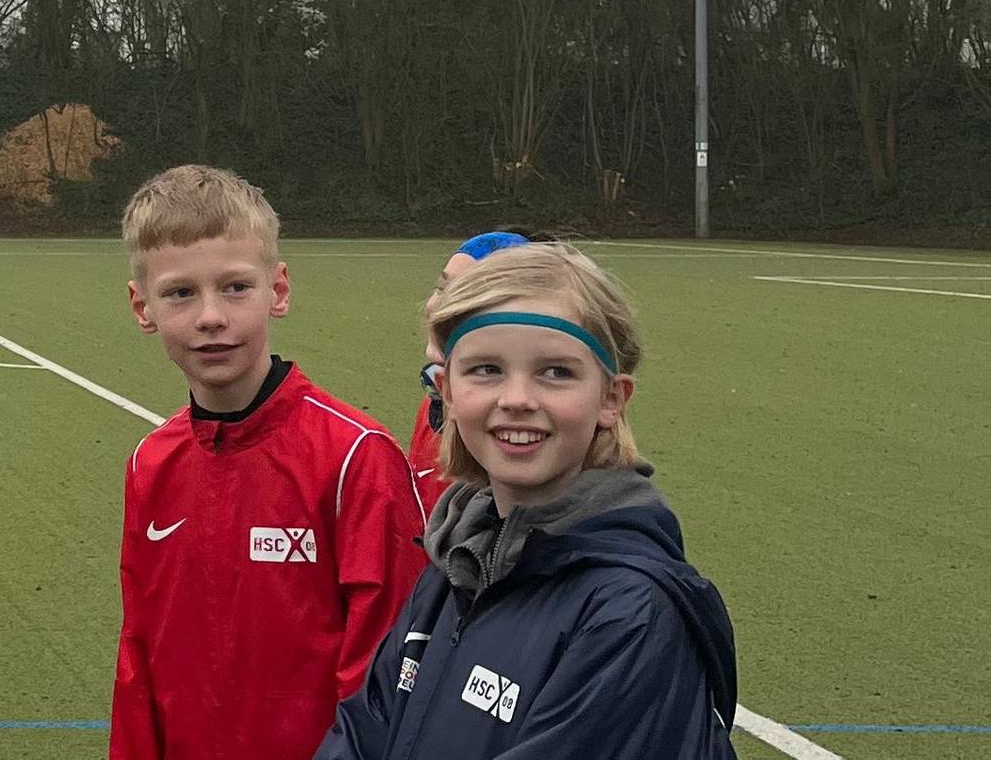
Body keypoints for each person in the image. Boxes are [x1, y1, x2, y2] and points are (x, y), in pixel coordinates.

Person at [314, 244, 738, 758]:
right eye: (486, 369)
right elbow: (362, 733)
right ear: (447, 392)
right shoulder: (455, 562)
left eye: (556, 372)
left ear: (611, 399)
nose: (516, 399)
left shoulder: (629, 612)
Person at [107, 165, 425, 760]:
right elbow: (139, 656)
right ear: (141, 306)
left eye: (235, 287)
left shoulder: (356, 458)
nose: (210, 317)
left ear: (277, 290)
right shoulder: (150, 463)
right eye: (180, 292)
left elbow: (386, 674)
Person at [409, 230, 553, 510]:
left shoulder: (524, 428)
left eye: (465, 293)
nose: (435, 305)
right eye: (442, 287)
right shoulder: (433, 406)